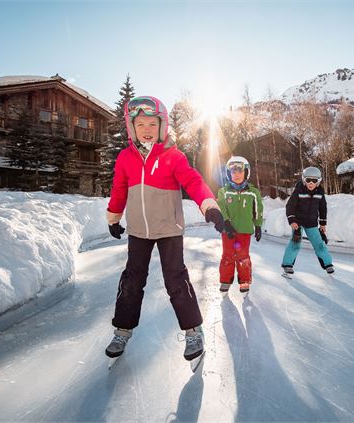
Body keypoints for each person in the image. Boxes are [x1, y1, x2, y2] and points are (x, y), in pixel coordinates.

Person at [105, 95, 225, 362]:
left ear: (163, 126)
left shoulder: (174, 156)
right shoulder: (125, 158)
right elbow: (119, 190)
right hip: (138, 231)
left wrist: (209, 206)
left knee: (176, 279)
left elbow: (193, 181)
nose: (146, 130)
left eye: (152, 124)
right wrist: (113, 218)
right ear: (131, 128)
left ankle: (193, 330)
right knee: (132, 280)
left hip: (169, 229)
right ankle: (122, 330)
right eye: (140, 125)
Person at [216, 156, 264, 294]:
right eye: (233, 172)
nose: (236, 175)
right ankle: (225, 280)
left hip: (245, 230)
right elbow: (221, 208)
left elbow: (258, 210)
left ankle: (244, 281)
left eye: (240, 171)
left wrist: (258, 225)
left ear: (246, 173)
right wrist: (226, 223)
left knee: (243, 256)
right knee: (227, 255)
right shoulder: (224, 192)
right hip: (228, 231)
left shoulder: (253, 192)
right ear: (229, 174)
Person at [281, 166, 334, 276]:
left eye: (314, 181)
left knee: (319, 244)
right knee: (295, 243)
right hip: (298, 222)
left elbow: (323, 208)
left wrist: (323, 223)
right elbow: (290, 206)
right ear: (304, 180)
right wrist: (292, 221)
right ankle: (287, 265)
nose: (311, 183)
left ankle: (328, 264)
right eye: (308, 180)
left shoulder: (320, 192)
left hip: (312, 223)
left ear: (318, 181)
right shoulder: (298, 191)